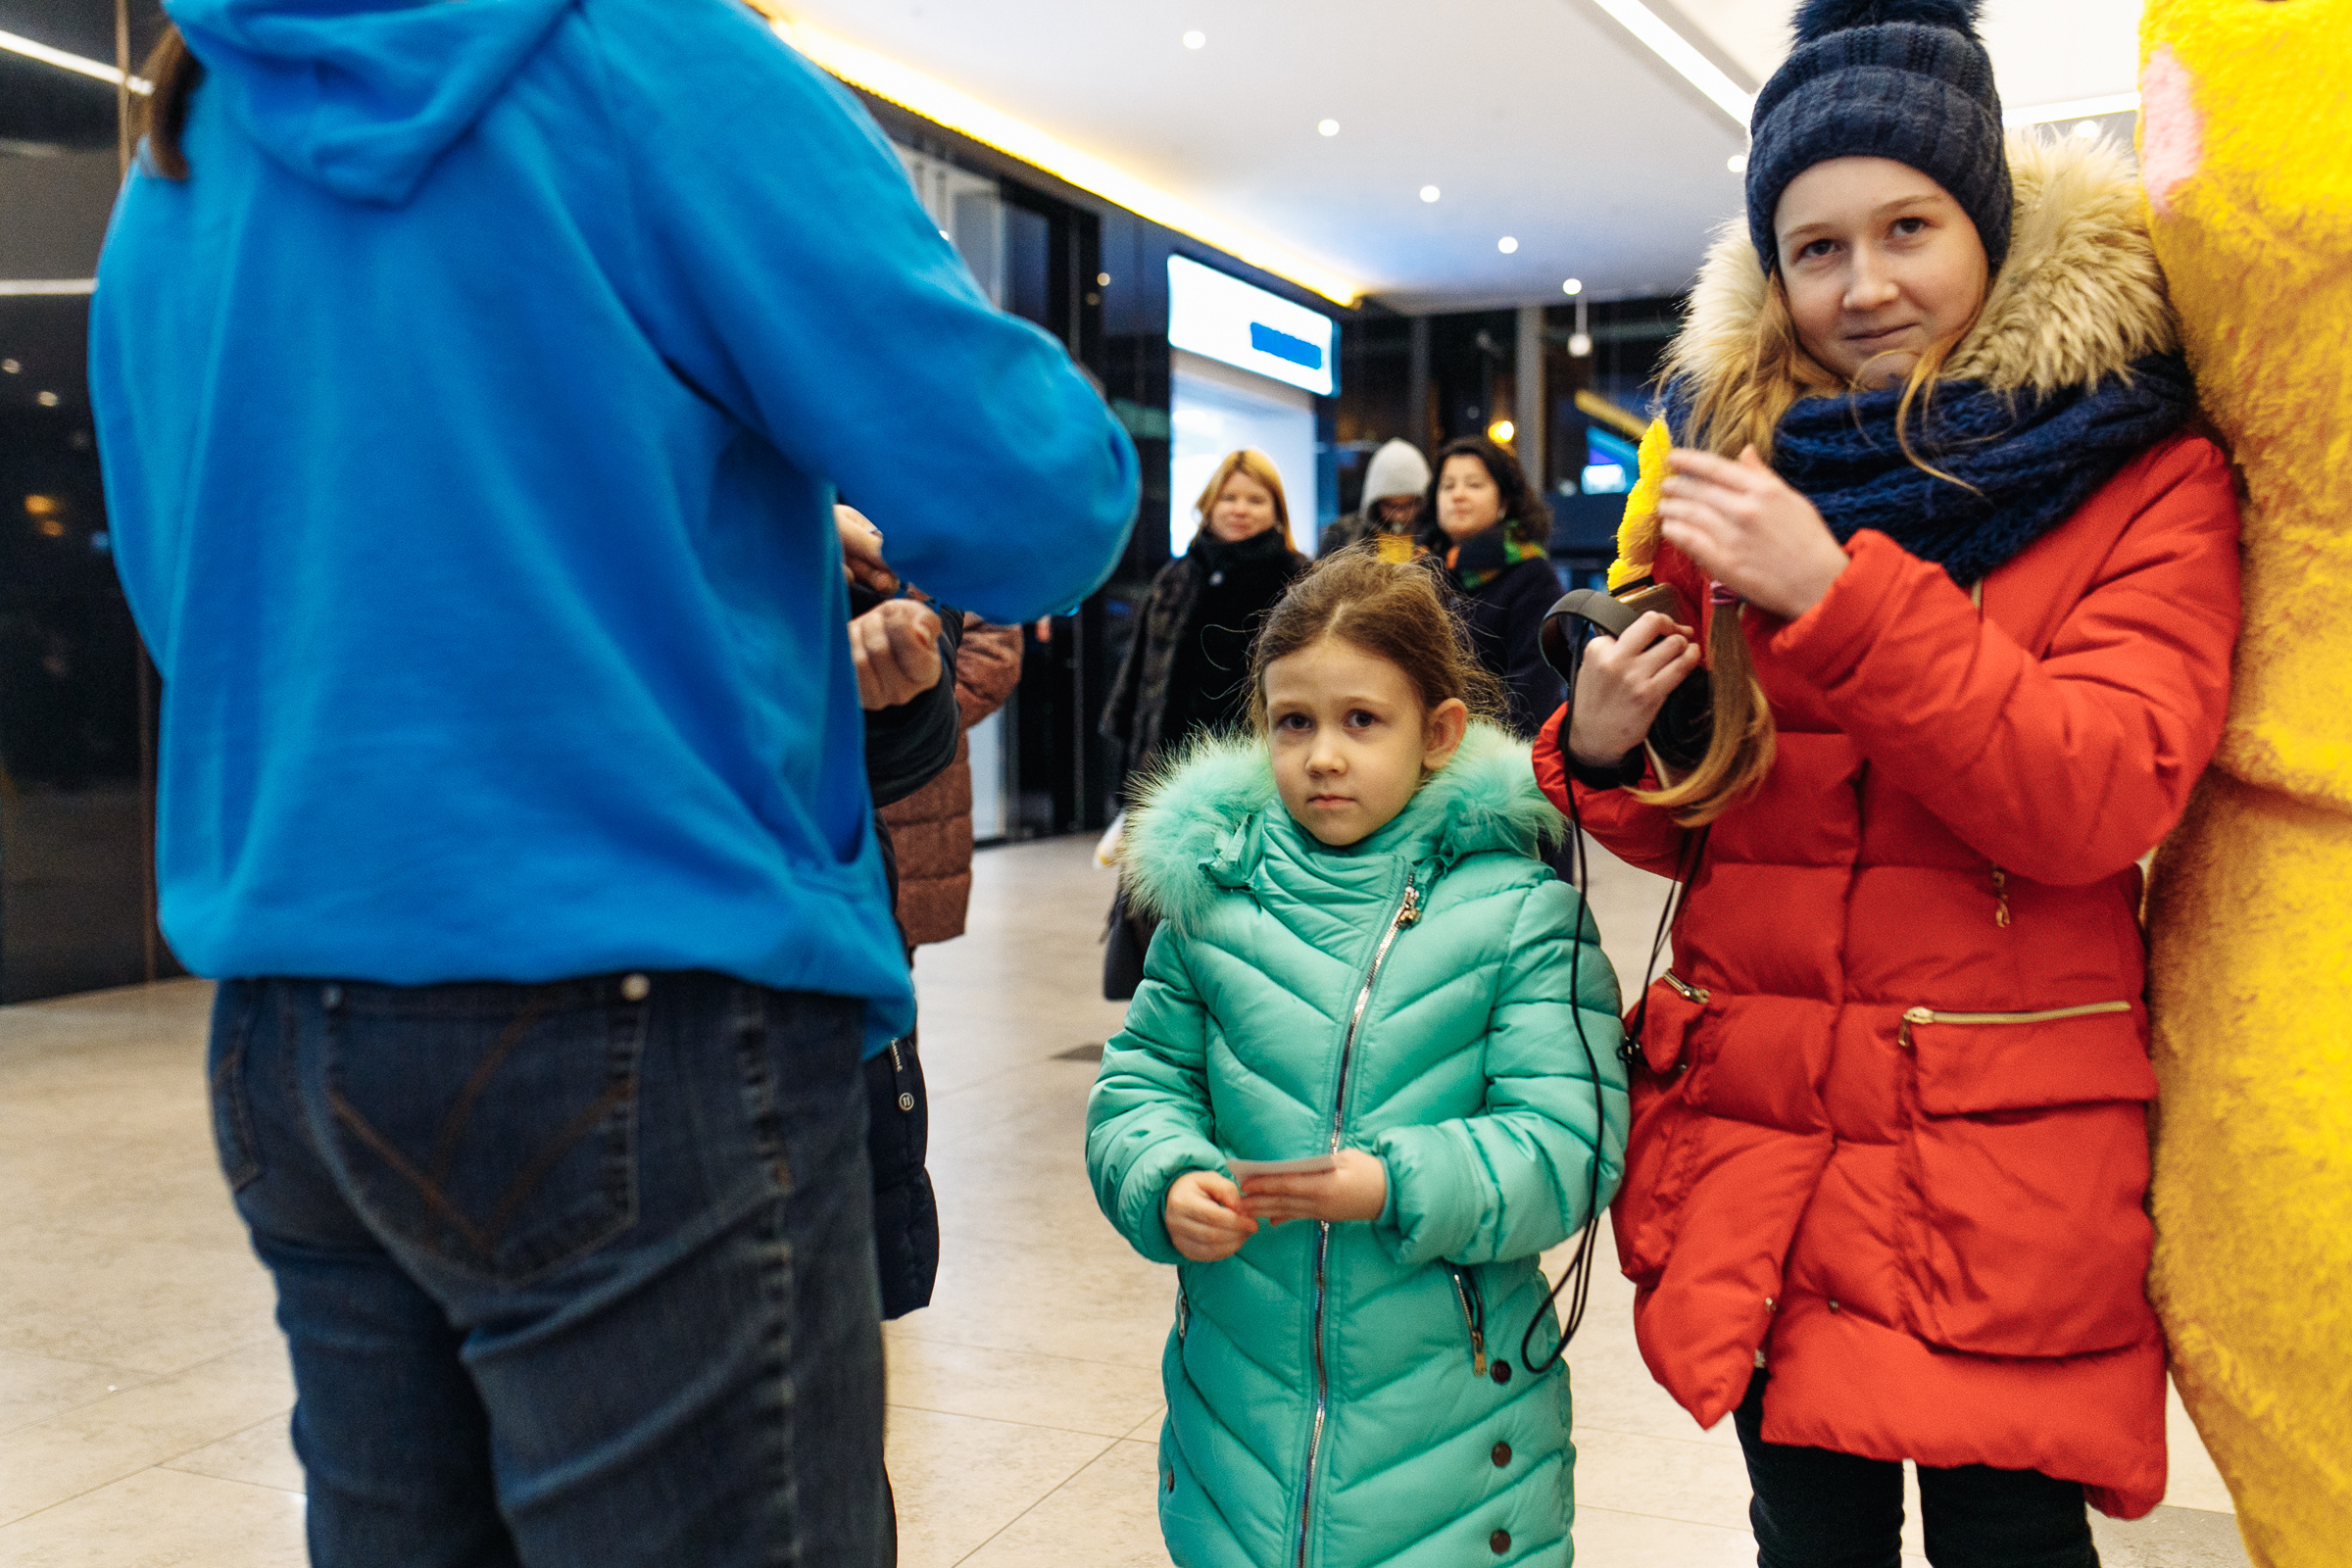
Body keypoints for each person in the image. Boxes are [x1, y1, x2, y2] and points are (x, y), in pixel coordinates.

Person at [90, 1, 1138, 1563]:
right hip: (639, 1009)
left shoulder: (188, 136)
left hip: (293, 1026)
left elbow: (197, 602)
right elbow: (1039, 496)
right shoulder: (654, 58)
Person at [1533, 1, 2239, 1561]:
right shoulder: (1741, 460)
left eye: (1907, 227)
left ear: (1987, 221)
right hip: (1766, 1146)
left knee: (2011, 1544)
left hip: (1999, 1163)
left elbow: (2098, 800)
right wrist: (1606, 746)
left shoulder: (2141, 468)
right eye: (1817, 247)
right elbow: (1719, 820)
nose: (1863, 286)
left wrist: (1841, 600)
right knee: (1808, 1539)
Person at [1087, 551, 1629, 1568]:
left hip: (1452, 1441)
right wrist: (1162, 1174)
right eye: (1294, 722)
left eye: (1361, 721)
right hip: (1237, 1422)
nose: (1323, 756)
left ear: (1440, 732)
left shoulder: (1521, 914)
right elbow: (1141, 1086)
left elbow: (1572, 1141)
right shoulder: (1211, 904)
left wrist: (1397, 1182)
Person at [1101, 449, 1309, 793]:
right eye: (1228, 498)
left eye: (1255, 500)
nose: (1240, 509)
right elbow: (1138, 678)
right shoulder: (1176, 577)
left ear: (1276, 511)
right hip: (1169, 768)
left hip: (1260, 770)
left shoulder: (1300, 580)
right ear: (1209, 505)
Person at [1426, 437, 1564, 739]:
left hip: (1501, 751)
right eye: (1447, 486)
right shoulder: (1426, 572)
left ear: (1504, 501)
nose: (1458, 495)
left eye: (1474, 484)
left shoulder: (1533, 576)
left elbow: (1532, 695)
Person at [1318, 437, 1432, 558]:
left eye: (1408, 505)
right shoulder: (1343, 535)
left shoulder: (1436, 540)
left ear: (1422, 502)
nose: (1399, 515)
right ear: (1375, 502)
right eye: (1390, 505)